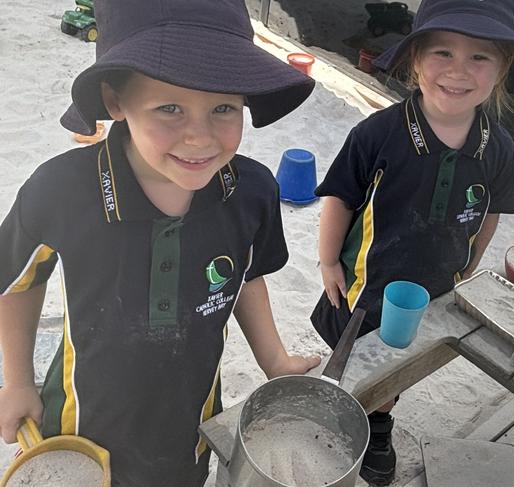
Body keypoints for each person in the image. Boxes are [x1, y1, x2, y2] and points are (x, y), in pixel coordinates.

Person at [0, 0, 320, 485]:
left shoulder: (252, 192)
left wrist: (274, 359)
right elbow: (19, 282)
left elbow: (246, 276)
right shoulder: (59, 190)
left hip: (188, 431)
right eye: (169, 107)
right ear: (115, 100)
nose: (199, 138)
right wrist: (18, 381)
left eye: (223, 108)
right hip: (80, 435)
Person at [310, 0, 514, 484]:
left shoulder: (499, 147)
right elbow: (339, 197)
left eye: (480, 57)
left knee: (403, 362)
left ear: (501, 68)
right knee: (350, 357)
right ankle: (352, 415)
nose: (459, 71)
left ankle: (378, 417)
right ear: (415, 59)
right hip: (366, 281)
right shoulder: (377, 134)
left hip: (437, 285)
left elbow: (490, 214)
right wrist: (327, 261)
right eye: (443, 52)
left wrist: (470, 267)